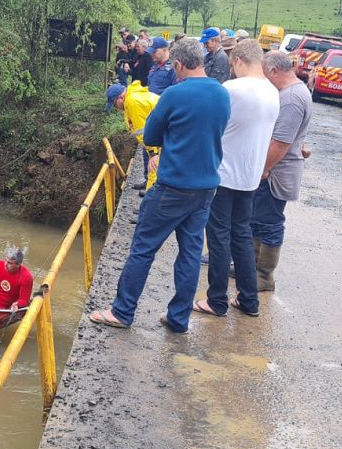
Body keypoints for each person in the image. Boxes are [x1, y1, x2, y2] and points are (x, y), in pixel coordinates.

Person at [88, 37, 231, 334]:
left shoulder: (175, 94)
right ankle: (178, 319)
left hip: (173, 185)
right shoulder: (222, 93)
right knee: (190, 253)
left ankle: (122, 311)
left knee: (142, 248)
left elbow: (151, 137)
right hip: (206, 188)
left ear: (178, 64)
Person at [194, 40, 279, 319]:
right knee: (241, 236)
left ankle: (216, 300)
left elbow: (208, 125)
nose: (232, 69)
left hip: (224, 175)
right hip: (250, 177)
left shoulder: (232, 89)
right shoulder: (272, 91)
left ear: (239, 60)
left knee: (218, 237)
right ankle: (248, 300)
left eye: (233, 65)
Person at [252, 51, 314, 291]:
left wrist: (264, 169)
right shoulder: (294, 92)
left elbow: (280, 142)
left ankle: (264, 275)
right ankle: (251, 265)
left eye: (266, 74)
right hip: (275, 170)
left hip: (276, 174)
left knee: (269, 222)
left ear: (275, 71)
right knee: (256, 219)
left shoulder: (291, 99)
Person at [106, 80, 160, 190]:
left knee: (155, 170)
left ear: (120, 98)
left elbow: (143, 130)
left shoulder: (132, 102)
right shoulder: (133, 97)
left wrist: (153, 153)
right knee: (155, 172)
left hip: (159, 140)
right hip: (160, 137)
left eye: (115, 104)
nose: (116, 108)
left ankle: (151, 196)